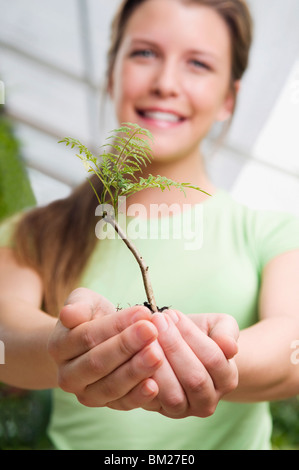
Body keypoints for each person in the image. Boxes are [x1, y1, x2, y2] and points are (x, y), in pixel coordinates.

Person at [0, 0, 299, 451]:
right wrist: (71, 345)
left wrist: (215, 358)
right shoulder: (37, 231)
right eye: (144, 54)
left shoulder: (270, 233)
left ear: (228, 99)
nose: (165, 83)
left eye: (198, 64)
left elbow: (293, 345)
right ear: (111, 73)